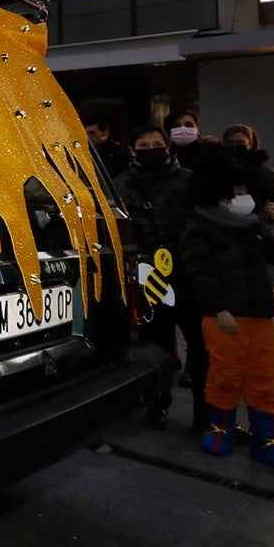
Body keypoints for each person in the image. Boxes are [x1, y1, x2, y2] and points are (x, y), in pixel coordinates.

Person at [179, 142, 274, 472]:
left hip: (259, 315)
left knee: (265, 374)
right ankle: (220, 427)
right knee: (225, 373)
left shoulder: (251, 227)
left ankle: (266, 438)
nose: (241, 197)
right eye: (234, 192)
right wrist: (218, 309)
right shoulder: (198, 229)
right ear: (215, 192)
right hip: (224, 318)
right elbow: (199, 274)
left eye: (245, 190)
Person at [113, 124, 194, 430]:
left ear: (168, 147)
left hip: (188, 270)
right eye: (143, 146)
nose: (151, 150)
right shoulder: (122, 185)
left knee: (199, 339)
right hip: (149, 273)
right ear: (132, 151)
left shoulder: (188, 181)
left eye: (156, 144)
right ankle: (157, 405)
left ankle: (206, 412)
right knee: (157, 342)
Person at [221, 123, 274, 210]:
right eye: (231, 142)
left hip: (252, 220)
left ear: (250, 144)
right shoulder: (218, 168)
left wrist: (263, 217)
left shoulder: (263, 172)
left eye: (241, 143)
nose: (235, 146)